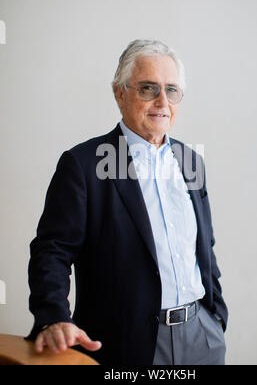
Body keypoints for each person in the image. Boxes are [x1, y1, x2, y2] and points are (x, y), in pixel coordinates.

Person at [27, 39, 228, 365]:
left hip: (201, 337)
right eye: (148, 88)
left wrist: (216, 317)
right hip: (125, 344)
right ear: (120, 93)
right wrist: (53, 317)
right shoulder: (83, 164)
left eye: (172, 90)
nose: (162, 101)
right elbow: (52, 251)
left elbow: (205, 246)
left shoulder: (191, 162)